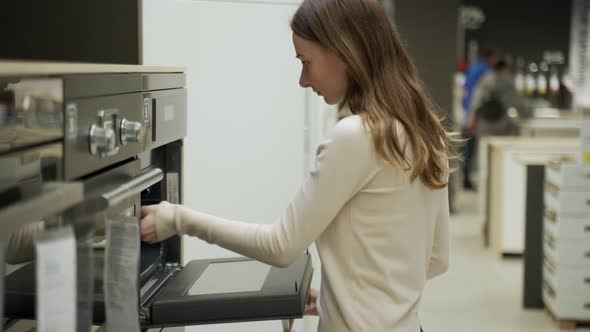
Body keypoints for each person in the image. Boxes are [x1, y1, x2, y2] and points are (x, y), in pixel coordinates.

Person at [140, 1, 453, 331]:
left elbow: (280, 246)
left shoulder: (357, 137)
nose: (303, 80)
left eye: (306, 62)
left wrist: (177, 218)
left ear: (345, 53)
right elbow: (436, 259)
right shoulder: (427, 131)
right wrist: (343, 301)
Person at [461, 47, 498, 190]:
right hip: (475, 118)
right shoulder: (486, 71)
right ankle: (467, 181)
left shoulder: (473, 69)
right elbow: (479, 98)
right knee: (472, 150)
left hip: (467, 114)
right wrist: (474, 120)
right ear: (490, 57)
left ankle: (465, 179)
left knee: (467, 149)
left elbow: (465, 92)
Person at [469, 60, 532, 137]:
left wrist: (473, 122)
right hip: (501, 124)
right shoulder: (507, 82)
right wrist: (526, 115)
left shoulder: (485, 80)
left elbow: (476, 103)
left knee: (484, 146)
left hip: (484, 124)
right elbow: (518, 103)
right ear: (504, 69)